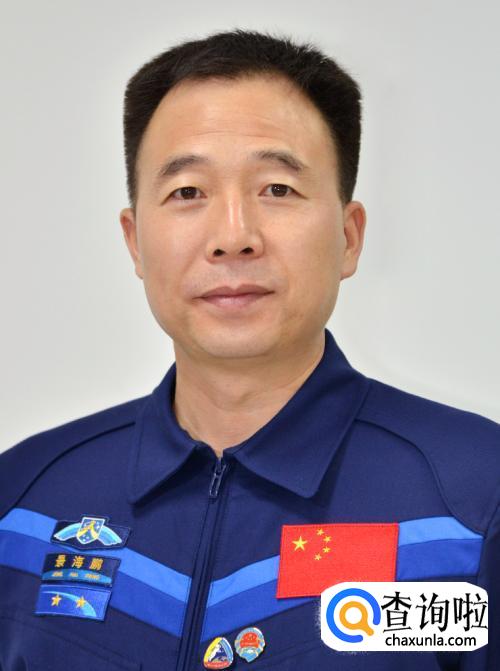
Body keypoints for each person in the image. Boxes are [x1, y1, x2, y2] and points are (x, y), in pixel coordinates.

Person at [0, 28, 498, 671]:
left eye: (277, 189)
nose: (233, 237)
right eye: (187, 192)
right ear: (135, 241)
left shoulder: (472, 505)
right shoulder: (22, 506)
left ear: (349, 238)